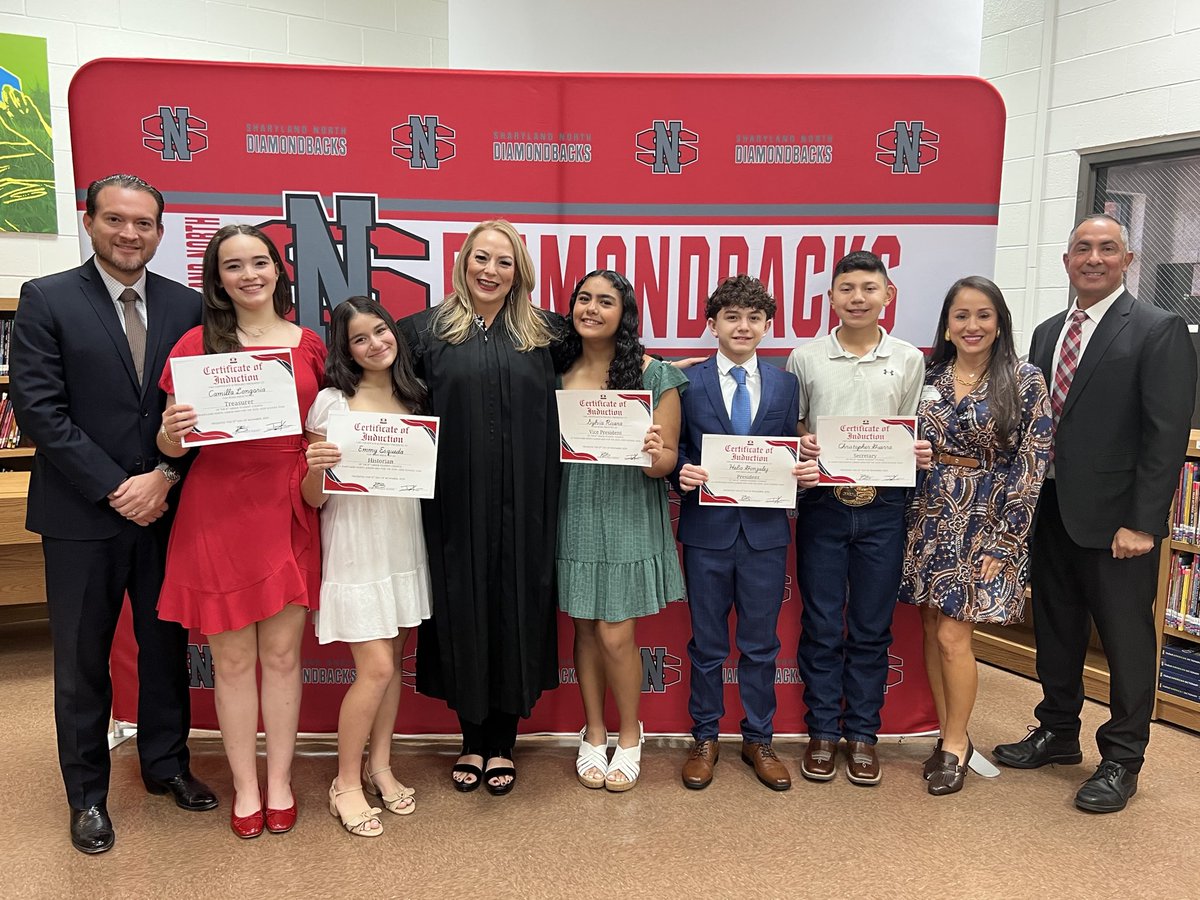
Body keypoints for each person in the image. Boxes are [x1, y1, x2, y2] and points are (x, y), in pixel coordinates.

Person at [9, 173, 215, 854]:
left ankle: (166, 765)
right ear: (90, 221)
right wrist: (117, 487)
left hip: (165, 510)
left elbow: (201, 407)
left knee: (165, 650)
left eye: (144, 223)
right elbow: (40, 410)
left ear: (160, 231)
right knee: (81, 660)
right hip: (80, 515)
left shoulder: (187, 305)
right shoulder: (47, 298)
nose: (130, 234)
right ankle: (88, 796)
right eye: (117, 220)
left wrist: (162, 478)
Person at [993, 214, 1196, 813]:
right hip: (1049, 508)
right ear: (1067, 261)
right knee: (1056, 627)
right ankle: (1057, 731)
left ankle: (1122, 758)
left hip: (1116, 523)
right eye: (1082, 248)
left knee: (1126, 640)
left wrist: (1144, 522)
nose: (1094, 258)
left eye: (1108, 248)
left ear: (1127, 261)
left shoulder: (1157, 329)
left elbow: (1165, 436)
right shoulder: (1047, 332)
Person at [156, 224, 326, 838]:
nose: (249, 275)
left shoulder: (310, 344)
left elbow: (321, 426)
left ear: (278, 269)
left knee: (282, 656)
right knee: (230, 662)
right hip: (218, 507)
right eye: (233, 266)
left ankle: (279, 781)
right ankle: (245, 787)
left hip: (289, 503)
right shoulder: (195, 343)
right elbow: (171, 444)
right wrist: (170, 433)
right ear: (218, 280)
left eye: (259, 262)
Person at [398, 220, 562, 795]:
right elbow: (378, 392)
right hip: (453, 500)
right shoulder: (422, 332)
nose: (491, 271)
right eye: (481, 258)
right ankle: (471, 739)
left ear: (520, 272)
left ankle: (503, 743)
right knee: (462, 608)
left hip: (529, 501)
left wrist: (663, 379)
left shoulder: (547, 334)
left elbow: (607, 368)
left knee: (517, 605)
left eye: (504, 261)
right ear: (463, 261)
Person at [899, 276, 1052, 795]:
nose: (972, 325)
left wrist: (1006, 539)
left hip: (987, 520)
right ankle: (948, 733)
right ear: (947, 324)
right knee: (930, 628)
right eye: (961, 315)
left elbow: (1032, 465)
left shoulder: (1025, 380)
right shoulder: (930, 376)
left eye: (983, 315)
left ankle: (956, 745)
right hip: (928, 512)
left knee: (953, 636)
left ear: (1000, 322)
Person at [786, 250, 931, 785]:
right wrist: (803, 442)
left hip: (884, 507)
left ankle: (863, 734)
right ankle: (823, 731)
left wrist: (917, 451)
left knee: (871, 627)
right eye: (846, 289)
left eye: (869, 288)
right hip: (823, 505)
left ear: (888, 296)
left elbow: (911, 428)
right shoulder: (806, 358)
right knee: (823, 625)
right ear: (830, 298)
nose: (857, 298)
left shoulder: (908, 358)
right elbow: (796, 424)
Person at [673, 275, 820, 792]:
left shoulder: (785, 385)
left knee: (760, 645)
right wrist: (680, 471)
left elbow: (787, 450)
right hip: (706, 533)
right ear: (712, 325)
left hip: (764, 535)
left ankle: (760, 739)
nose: (743, 326)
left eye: (754, 318)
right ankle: (705, 737)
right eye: (732, 317)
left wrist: (803, 471)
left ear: (767, 325)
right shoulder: (687, 382)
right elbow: (675, 448)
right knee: (707, 645)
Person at [302, 297, 432, 835]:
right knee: (374, 668)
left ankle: (380, 766)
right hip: (355, 545)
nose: (376, 343)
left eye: (381, 331)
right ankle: (345, 783)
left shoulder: (413, 395)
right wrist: (316, 468)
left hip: (402, 539)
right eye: (360, 338)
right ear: (346, 349)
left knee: (393, 662)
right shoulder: (332, 402)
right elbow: (312, 498)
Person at [554, 270, 686, 792]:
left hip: (630, 509)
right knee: (585, 627)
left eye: (605, 301)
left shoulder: (656, 376)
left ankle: (630, 734)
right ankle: (593, 731)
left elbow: (667, 464)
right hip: (573, 509)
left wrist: (655, 454)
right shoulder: (555, 369)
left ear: (624, 314)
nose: (591, 309)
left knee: (615, 632)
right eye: (583, 299)